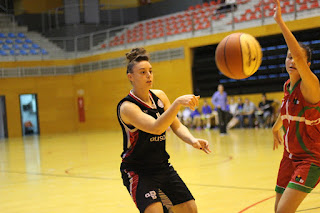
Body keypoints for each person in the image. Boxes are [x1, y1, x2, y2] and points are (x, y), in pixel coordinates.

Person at [117, 47, 211, 213]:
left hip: (162, 167)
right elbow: (156, 127)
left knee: (190, 209)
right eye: (142, 72)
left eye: (150, 71)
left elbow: (176, 125)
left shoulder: (159, 96)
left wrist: (193, 140)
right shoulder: (127, 107)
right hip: (138, 171)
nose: (149, 75)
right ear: (130, 77)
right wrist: (177, 103)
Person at [272, 1, 320, 212]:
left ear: (306, 65)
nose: (292, 60)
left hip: (311, 158)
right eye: (289, 56)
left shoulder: (311, 85)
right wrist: (276, 126)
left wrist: (280, 22)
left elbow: (299, 56)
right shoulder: (287, 86)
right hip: (288, 156)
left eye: (296, 58)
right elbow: (287, 111)